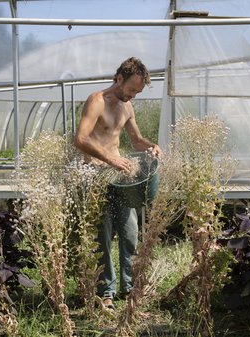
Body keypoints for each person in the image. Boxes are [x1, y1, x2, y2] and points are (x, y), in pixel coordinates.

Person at [74, 57, 162, 309]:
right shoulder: (97, 100)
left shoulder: (127, 107)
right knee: (102, 236)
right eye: (132, 89)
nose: (133, 96)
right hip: (95, 175)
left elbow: (136, 140)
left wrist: (152, 146)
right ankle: (106, 292)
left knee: (130, 231)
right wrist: (111, 159)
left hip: (119, 175)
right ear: (119, 78)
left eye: (138, 92)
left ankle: (129, 286)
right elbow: (80, 138)